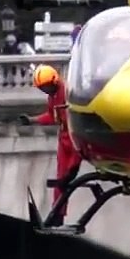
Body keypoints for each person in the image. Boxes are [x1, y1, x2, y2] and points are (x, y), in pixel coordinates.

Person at [18, 64, 81, 225]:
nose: (45, 91)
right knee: (60, 180)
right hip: (64, 139)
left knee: (67, 177)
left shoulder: (67, 93)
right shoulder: (52, 96)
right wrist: (32, 120)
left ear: (54, 81)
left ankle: (59, 214)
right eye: (42, 89)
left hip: (75, 138)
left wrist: (74, 167)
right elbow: (52, 116)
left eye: (45, 87)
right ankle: (57, 216)